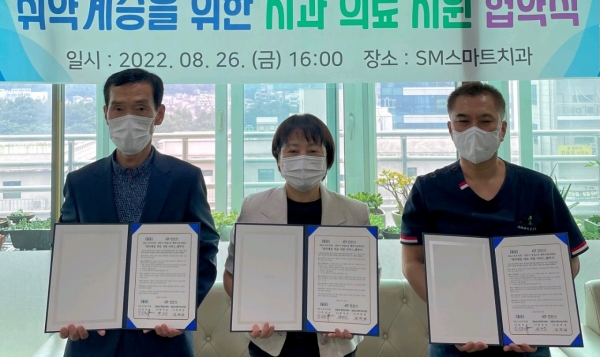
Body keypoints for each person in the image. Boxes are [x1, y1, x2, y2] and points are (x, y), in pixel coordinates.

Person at [401, 82, 588, 357]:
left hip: (526, 338)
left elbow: (570, 259)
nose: (474, 130)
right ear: (451, 129)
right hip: (456, 339)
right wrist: (452, 315)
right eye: (463, 121)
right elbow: (412, 263)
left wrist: (537, 314)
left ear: (502, 129)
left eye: (486, 121)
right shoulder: (428, 189)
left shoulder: (537, 187)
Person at [59, 68, 219, 357]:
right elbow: (67, 255)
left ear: (159, 114)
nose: (128, 119)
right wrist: (69, 309)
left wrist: (182, 311)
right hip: (92, 339)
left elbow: (205, 249)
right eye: (119, 108)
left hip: (163, 339)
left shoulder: (185, 178)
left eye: (141, 108)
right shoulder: (80, 182)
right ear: (106, 113)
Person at [223, 114, 370, 357]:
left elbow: (366, 279)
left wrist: (354, 318)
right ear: (279, 160)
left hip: (334, 343)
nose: (303, 158)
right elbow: (231, 275)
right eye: (292, 151)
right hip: (270, 343)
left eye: (313, 151)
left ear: (327, 160)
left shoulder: (355, 212)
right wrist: (251, 312)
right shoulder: (254, 207)